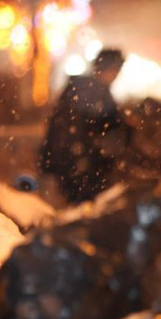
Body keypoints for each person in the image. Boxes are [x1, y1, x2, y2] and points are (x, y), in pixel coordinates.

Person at [39, 48, 129, 205]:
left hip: (78, 166)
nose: (117, 75)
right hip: (81, 168)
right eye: (115, 69)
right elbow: (81, 130)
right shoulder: (90, 92)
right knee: (83, 213)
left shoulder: (84, 89)